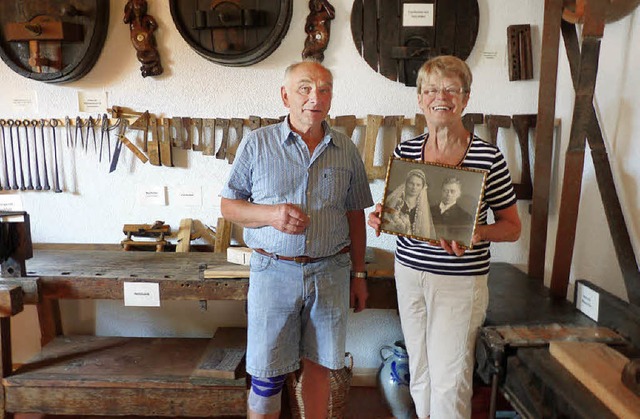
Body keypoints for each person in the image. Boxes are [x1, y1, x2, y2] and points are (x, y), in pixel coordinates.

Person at [368, 55, 521, 419]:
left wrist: (477, 232)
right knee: (419, 374)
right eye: (432, 89)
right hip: (409, 275)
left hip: (459, 282)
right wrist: (381, 216)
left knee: (450, 379)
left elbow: (513, 226)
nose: (442, 97)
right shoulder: (406, 151)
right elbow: (402, 211)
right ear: (420, 99)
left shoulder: (488, 156)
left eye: (452, 89)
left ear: (466, 99)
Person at [220, 60, 373, 419]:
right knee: (266, 375)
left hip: (330, 273)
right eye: (305, 88)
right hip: (273, 272)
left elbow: (355, 215)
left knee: (319, 367)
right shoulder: (257, 145)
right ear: (285, 95)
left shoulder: (346, 150)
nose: (314, 97)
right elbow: (229, 206)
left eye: (324, 89)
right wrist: (271, 215)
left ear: (331, 98)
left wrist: (360, 274)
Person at [383, 168, 434, 238]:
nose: (414, 187)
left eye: (418, 185)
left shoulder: (422, 208)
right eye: (411, 183)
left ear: (422, 187)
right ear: (406, 183)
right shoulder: (396, 202)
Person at [430, 176, 474, 244]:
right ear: (441, 191)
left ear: (459, 194)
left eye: (452, 191)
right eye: (445, 191)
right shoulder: (429, 210)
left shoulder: (466, 217)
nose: (448, 194)